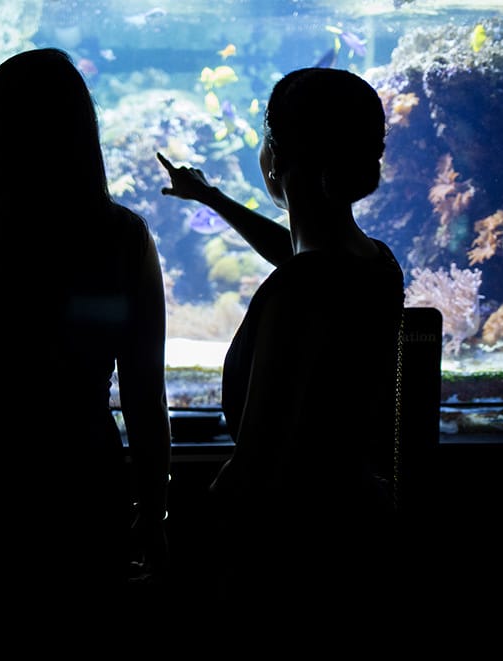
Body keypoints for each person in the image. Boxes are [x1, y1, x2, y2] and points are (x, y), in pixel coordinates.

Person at [0, 48, 171, 598]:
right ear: (82, 133)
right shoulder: (125, 238)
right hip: (84, 482)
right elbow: (146, 398)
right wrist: (155, 509)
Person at [157, 67, 405, 604]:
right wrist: (212, 198)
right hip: (356, 523)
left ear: (276, 155)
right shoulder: (375, 264)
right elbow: (303, 253)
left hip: (287, 550)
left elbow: (256, 456)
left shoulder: (294, 295)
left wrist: (186, 538)